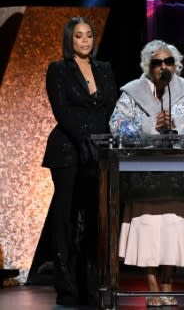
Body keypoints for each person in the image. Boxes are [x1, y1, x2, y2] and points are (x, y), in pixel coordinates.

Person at [109, 40, 184, 307]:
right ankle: (153, 285)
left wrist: (177, 124)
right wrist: (150, 126)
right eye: (157, 63)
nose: (163, 67)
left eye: (168, 62)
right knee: (149, 230)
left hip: (178, 171)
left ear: (176, 66)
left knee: (172, 229)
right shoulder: (132, 92)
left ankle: (167, 284)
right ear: (147, 66)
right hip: (145, 172)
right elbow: (117, 126)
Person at [42, 16, 118, 306]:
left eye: (89, 35)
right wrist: (83, 140)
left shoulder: (105, 69)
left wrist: (102, 142)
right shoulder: (58, 69)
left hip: (99, 151)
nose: (84, 41)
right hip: (67, 150)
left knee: (95, 218)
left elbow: (111, 107)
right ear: (69, 40)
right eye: (78, 36)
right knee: (67, 219)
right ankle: (67, 287)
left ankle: (91, 285)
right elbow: (60, 109)